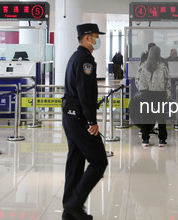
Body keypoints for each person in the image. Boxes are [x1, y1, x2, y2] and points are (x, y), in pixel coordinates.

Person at [61, 23, 108, 220]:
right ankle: (75, 203)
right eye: (96, 37)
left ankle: (69, 210)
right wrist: (91, 121)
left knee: (76, 160)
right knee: (99, 161)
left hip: (70, 115)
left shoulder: (76, 57)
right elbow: (85, 92)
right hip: (79, 117)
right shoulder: (85, 60)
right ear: (87, 38)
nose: (97, 40)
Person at [136, 45, 170, 147]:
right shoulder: (163, 66)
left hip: (146, 94)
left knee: (145, 116)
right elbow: (167, 82)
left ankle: (145, 139)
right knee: (161, 117)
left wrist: (142, 89)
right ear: (158, 54)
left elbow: (137, 80)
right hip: (159, 94)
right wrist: (167, 95)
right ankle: (162, 140)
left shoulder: (142, 66)